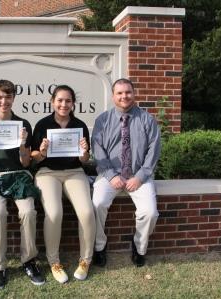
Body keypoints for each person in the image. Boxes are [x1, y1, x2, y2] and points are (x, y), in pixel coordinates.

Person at [0, 79, 45, 290]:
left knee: (28, 212)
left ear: (14, 98)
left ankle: (29, 261)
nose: (3, 101)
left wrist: (23, 144)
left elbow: (26, 162)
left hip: (19, 175)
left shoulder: (23, 124)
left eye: (8, 96)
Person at [92, 78, 161, 267]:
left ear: (134, 93)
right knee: (97, 204)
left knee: (150, 213)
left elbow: (153, 151)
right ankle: (99, 246)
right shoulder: (103, 120)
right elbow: (97, 150)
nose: (124, 96)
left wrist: (139, 177)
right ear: (113, 96)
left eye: (128, 92)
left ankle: (139, 247)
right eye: (120, 93)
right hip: (109, 174)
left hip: (139, 175)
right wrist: (111, 175)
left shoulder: (147, 119)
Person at [31, 85, 96, 283]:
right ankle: (54, 262)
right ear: (52, 102)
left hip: (74, 172)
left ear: (73, 104)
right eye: (60, 100)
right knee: (54, 212)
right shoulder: (43, 124)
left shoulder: (80, 125)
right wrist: (41, 151)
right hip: (47, 173)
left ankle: (85, 260)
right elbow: (34, 158)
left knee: (86, 211)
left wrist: (84, 152)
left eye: (68, 101)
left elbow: (84, 160)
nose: (63, 104)